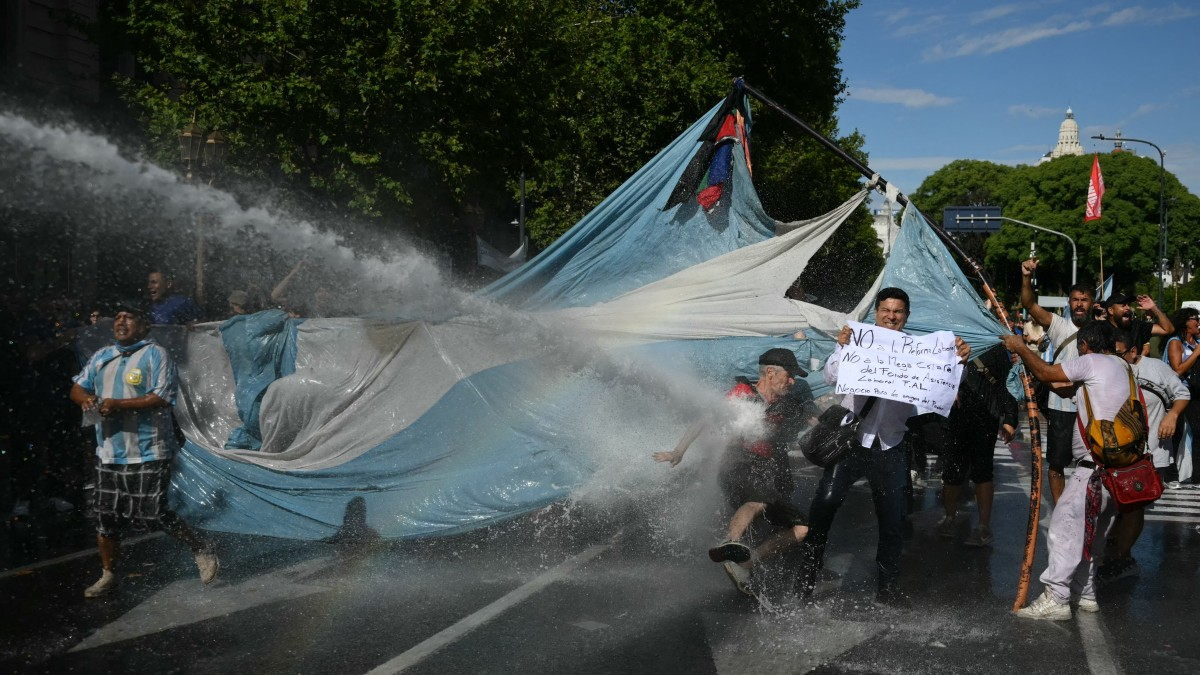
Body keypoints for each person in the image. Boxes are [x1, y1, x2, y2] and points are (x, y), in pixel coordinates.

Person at [795, 287, 971, 606]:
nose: (891, 316)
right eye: (886, 310)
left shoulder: (919, 350)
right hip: (850, 443)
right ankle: (805, 578)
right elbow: (832, 375)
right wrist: (843, 346)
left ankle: (887, 591)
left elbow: (943, 385)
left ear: (907, 316)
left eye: (898, 311)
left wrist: (959, 359)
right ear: (876, 313)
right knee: (824, 508)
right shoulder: (859, 340)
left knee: (893, 522)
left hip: (891, 446)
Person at [69, 304, 219, 598]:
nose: (121, 321)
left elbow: (163, 397)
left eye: (129, 317)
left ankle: (201, 548)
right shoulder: (102, 356)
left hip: (150, 449)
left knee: (153, 513)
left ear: (144, 326)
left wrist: (118, 404)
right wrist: (85, 400)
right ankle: (108, 574)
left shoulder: (156, 355)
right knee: (105, 517)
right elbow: (77, 387)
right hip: (109, 452)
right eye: (118, 317)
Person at [1001, 321, 1135, 620]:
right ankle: (1085, 594)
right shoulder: (1122, 366)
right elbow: (1062, 388)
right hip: (1119, 470)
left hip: (1093, 469)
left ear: (1084, 345)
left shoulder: (1090, 362)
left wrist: (1022, 348)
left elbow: (1050, 373)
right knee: (1093, 537)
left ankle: (1057, 597)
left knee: (1064, 530)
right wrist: (1031, 367)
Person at [654, 348, 812, 596]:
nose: (793, 381)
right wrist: (678, 451)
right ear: (770, 373)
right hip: (737, 462)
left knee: (801, 529)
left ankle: (745, 563)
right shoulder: (743, 394)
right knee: (758, 500)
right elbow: (705, 419)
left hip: (765, 469)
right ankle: (731, 543)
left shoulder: (786, 403)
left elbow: (811, 419)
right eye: (790, 375)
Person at [1094, 329, 1189, 584]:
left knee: (1134, 505)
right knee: (1115, 504)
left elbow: (1182, 394)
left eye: (1118, 353)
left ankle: (1123, 557)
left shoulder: (1156, 368)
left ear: (1133, 352)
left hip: (1151, 451)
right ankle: (1112, 552)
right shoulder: (1107, 369)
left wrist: (1172, 415)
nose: (1113, 358)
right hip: (1115, 451)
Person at [923, 344, 1018, 547]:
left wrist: (1010, 417)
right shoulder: (946, 343)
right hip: (953, 419)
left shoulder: (995, 347)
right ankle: (949, 518)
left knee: (983, 472)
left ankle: (983, 527)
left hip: (986, 418)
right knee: (952, 471)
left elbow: (1005, 384)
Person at [1020, 258, 1094, 504]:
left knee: (1093, 465)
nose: (1080, 304)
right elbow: (1029, 304)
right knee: (1057, 464)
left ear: (1091, 302)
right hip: (1061, 408)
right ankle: (1061, 510)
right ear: (1069, 303)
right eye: (1075, 300)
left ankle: (1090, 509)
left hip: (1092, 409)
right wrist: (1027, 277)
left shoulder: (1101, 331)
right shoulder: (1059, 325)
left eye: (1084, 300)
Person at [1163, 307, 1200, 483]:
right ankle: (1171, 476)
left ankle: (1197, 477)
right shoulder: (1175, 342)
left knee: (1198, 432)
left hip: (1195, 392)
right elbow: (1177, 370)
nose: (1198, 322)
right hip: (1178, 393)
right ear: (1185, 322)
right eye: (1195, 318)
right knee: (1175, 434)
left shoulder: (1196, 341)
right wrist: (1196, 353)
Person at [1104, 293, 1172, 356]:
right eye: (1123, 305)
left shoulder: (1137, 326)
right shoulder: (1100, 329)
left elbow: (1167, 329)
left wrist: (1154, 308)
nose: (1128, 308)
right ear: (1111, 310)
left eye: (1129, 305)